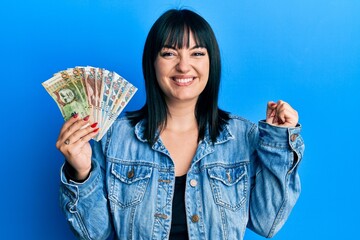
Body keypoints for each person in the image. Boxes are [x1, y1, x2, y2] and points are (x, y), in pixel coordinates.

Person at [56, 9, 304, 240]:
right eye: (169, 53)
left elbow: (268, 223)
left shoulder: (244, 136)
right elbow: (93, 234)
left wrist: (278, 141)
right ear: (152, 62)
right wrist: (80, 173)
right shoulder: (114, 138)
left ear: (211, 62)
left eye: (197, 53)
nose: (184, 66)